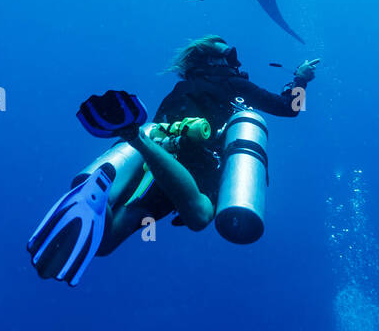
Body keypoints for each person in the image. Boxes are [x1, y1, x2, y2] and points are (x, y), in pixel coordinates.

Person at [28, 35, 319, 285]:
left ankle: (110, 177)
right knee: (200, 215)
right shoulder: (232, 84)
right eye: (230, 54)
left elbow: (165, 121)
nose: (235, 61)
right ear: (213, 61)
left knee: (104, 242)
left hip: (156, 158)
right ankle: (134, 139)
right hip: (194, 166)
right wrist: (301, 79)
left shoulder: (182, 88)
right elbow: (289, 107)